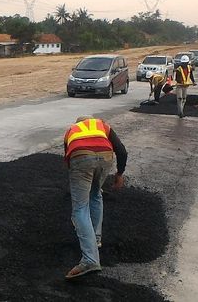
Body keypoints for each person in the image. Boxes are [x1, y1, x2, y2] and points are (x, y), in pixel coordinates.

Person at [63, 116, 127, 279]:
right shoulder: (102, 126)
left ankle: (90, 260)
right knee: (96, 194)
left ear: (78, 122)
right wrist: (119, 174)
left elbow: (69, 161)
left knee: (80, 209)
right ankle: (96, 238)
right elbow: (121, 150)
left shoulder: (71, 130)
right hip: (105, 157)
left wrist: (76, 183)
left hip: (81, 157)